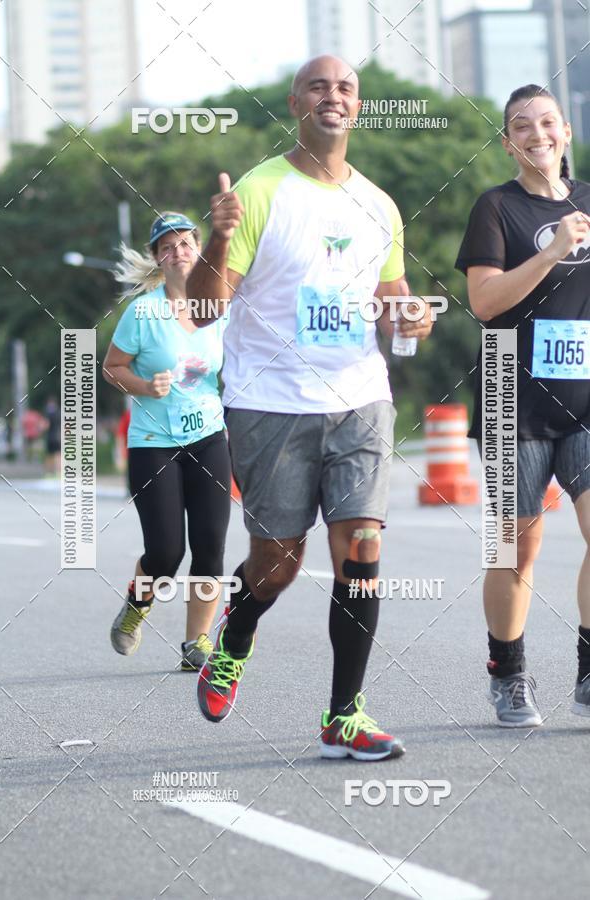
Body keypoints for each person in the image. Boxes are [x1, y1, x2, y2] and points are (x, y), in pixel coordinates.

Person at [186, 56, 432, 760]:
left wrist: (413, 318)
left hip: (359, 399)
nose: (333, 96)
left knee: (362, 545)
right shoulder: (262, 191)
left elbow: (393, 301)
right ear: (296, 102)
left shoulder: (379, 205)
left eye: (346, 88)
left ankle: (344, 715)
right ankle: (236, 630)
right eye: (319, 87)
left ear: (357, 106)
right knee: (277, 561)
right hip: (270, 406)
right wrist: (220, 239)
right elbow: (204, 308)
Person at [456, 84, 590, 727]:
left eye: (546, 122)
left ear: (565, 130)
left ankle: (588, 672)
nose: (537, 134)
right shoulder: (495, 208)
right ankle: (507, 674)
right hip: (513, 397)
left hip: (586, 399)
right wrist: (553, 249)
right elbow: (485, 303)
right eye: (521, 126)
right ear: (509, 143)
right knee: (515, 548)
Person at [103, 212, 231, 671]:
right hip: (153, 443)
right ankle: (136, 607)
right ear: (158, 258)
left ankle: (196, 642)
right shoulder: (143, 312)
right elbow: (112, 367)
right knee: (166, 552)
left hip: (209, 439)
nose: (178, 252)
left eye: (185, 243)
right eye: (167, 246)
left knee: (211, 545)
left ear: (199, 250)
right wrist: (143, 386)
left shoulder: (219, 306)